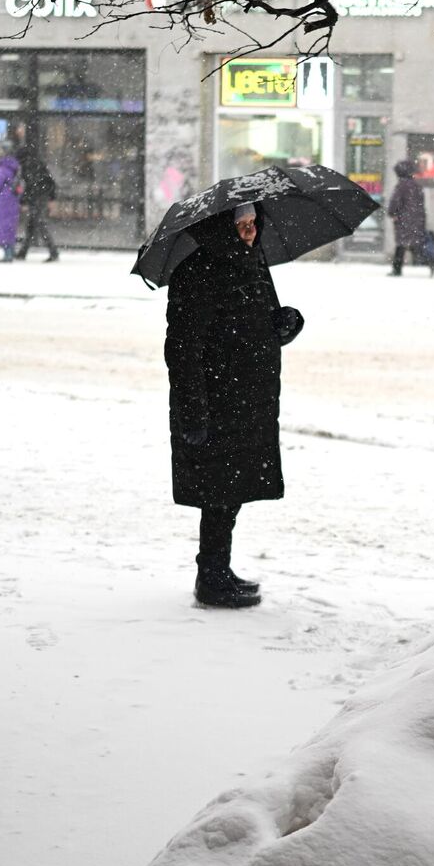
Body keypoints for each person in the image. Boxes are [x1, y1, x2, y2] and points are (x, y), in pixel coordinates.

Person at [165, 203, 284, 610]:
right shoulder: (198, 271)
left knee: (231, 488)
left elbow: (259, 322)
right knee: (218, 488)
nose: (250, 232)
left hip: (245, 398)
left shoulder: (253, 262)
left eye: (254, 224)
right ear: (224, 228)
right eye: (242, 225)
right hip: (217, 399)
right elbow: (182, 348)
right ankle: (211, 576)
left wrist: (284, 324)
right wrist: (192, 411)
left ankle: (218, 569)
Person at [386, 158, 434, 277]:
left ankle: (397, 269)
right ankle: (430, 261)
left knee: (401, 245)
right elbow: (420, 203)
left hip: (404, 220)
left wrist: (392, 213)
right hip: (417, 219)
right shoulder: (417, 185)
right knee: (415, 245)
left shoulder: (401, 185)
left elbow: (395, 202)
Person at [15, 144, 60, 262]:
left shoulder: (28, 166)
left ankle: (53, 252)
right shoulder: (38, 164)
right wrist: (51, 197)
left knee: (39, 224)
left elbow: (31, 186)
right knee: (32, 225)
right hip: (41, 197)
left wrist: (24, 201)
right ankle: (23, 252)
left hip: (38, 198)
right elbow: (50, 182)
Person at [0, 147, 22, 262]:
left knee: (3, 227)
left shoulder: (1, 170)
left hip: (3, 201)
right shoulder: (11, 168)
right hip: (12, 200)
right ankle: (10, 252)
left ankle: (8, 254)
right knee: (9, 227)